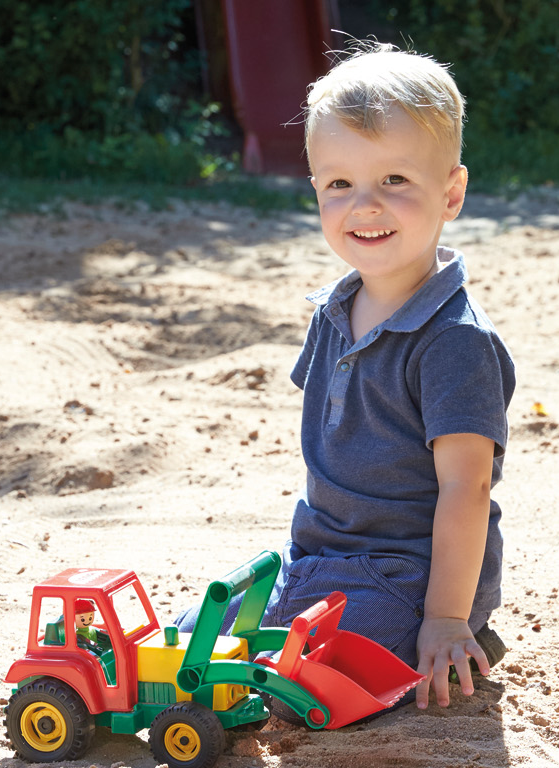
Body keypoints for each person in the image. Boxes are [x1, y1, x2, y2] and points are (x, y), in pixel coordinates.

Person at [179, 44, 515, 712]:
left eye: (395, 181)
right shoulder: (334, 310)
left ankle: (457, 638)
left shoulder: (454, 343)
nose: (366, 206)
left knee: (300, 682)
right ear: (316, 192)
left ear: (451, 193)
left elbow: (467, 488)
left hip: (408, 575)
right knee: (195, 645)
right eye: (340, 185)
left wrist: (444, 615)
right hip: (316, 555)